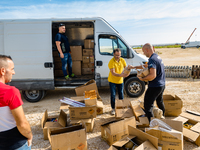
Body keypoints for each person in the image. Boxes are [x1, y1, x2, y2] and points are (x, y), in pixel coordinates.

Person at [0, 55, 33, 149]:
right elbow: (22, 124)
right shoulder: (10, 92)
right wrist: (29, 135)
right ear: (3, 71)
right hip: (14, 144)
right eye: (12, 69)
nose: (13, 72)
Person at [130, 43, 165, 122]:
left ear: (147, 50)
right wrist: (134, 67)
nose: (143, 53)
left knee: (147, 105)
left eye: (143, 51)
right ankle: (163, 117)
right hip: (161, 85)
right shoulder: (157, 57)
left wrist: (143, 79)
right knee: (160, 101)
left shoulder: (152, 59)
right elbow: (146, 66)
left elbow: (153, 75)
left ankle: (151, 124)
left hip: (155, 86)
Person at [108, 48, 130, 115]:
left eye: (119, 55)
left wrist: (128, 71)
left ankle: (121, 108)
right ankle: (113, 109)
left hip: (120, 81)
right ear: (114, 54)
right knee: (113, 95)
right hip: (112, 81)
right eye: (117, 55)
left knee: (121, 94)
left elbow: (126, 68)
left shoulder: (122, 60)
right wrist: (122, 75)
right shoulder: (111, 62)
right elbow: (113, 73)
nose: (118, 56)